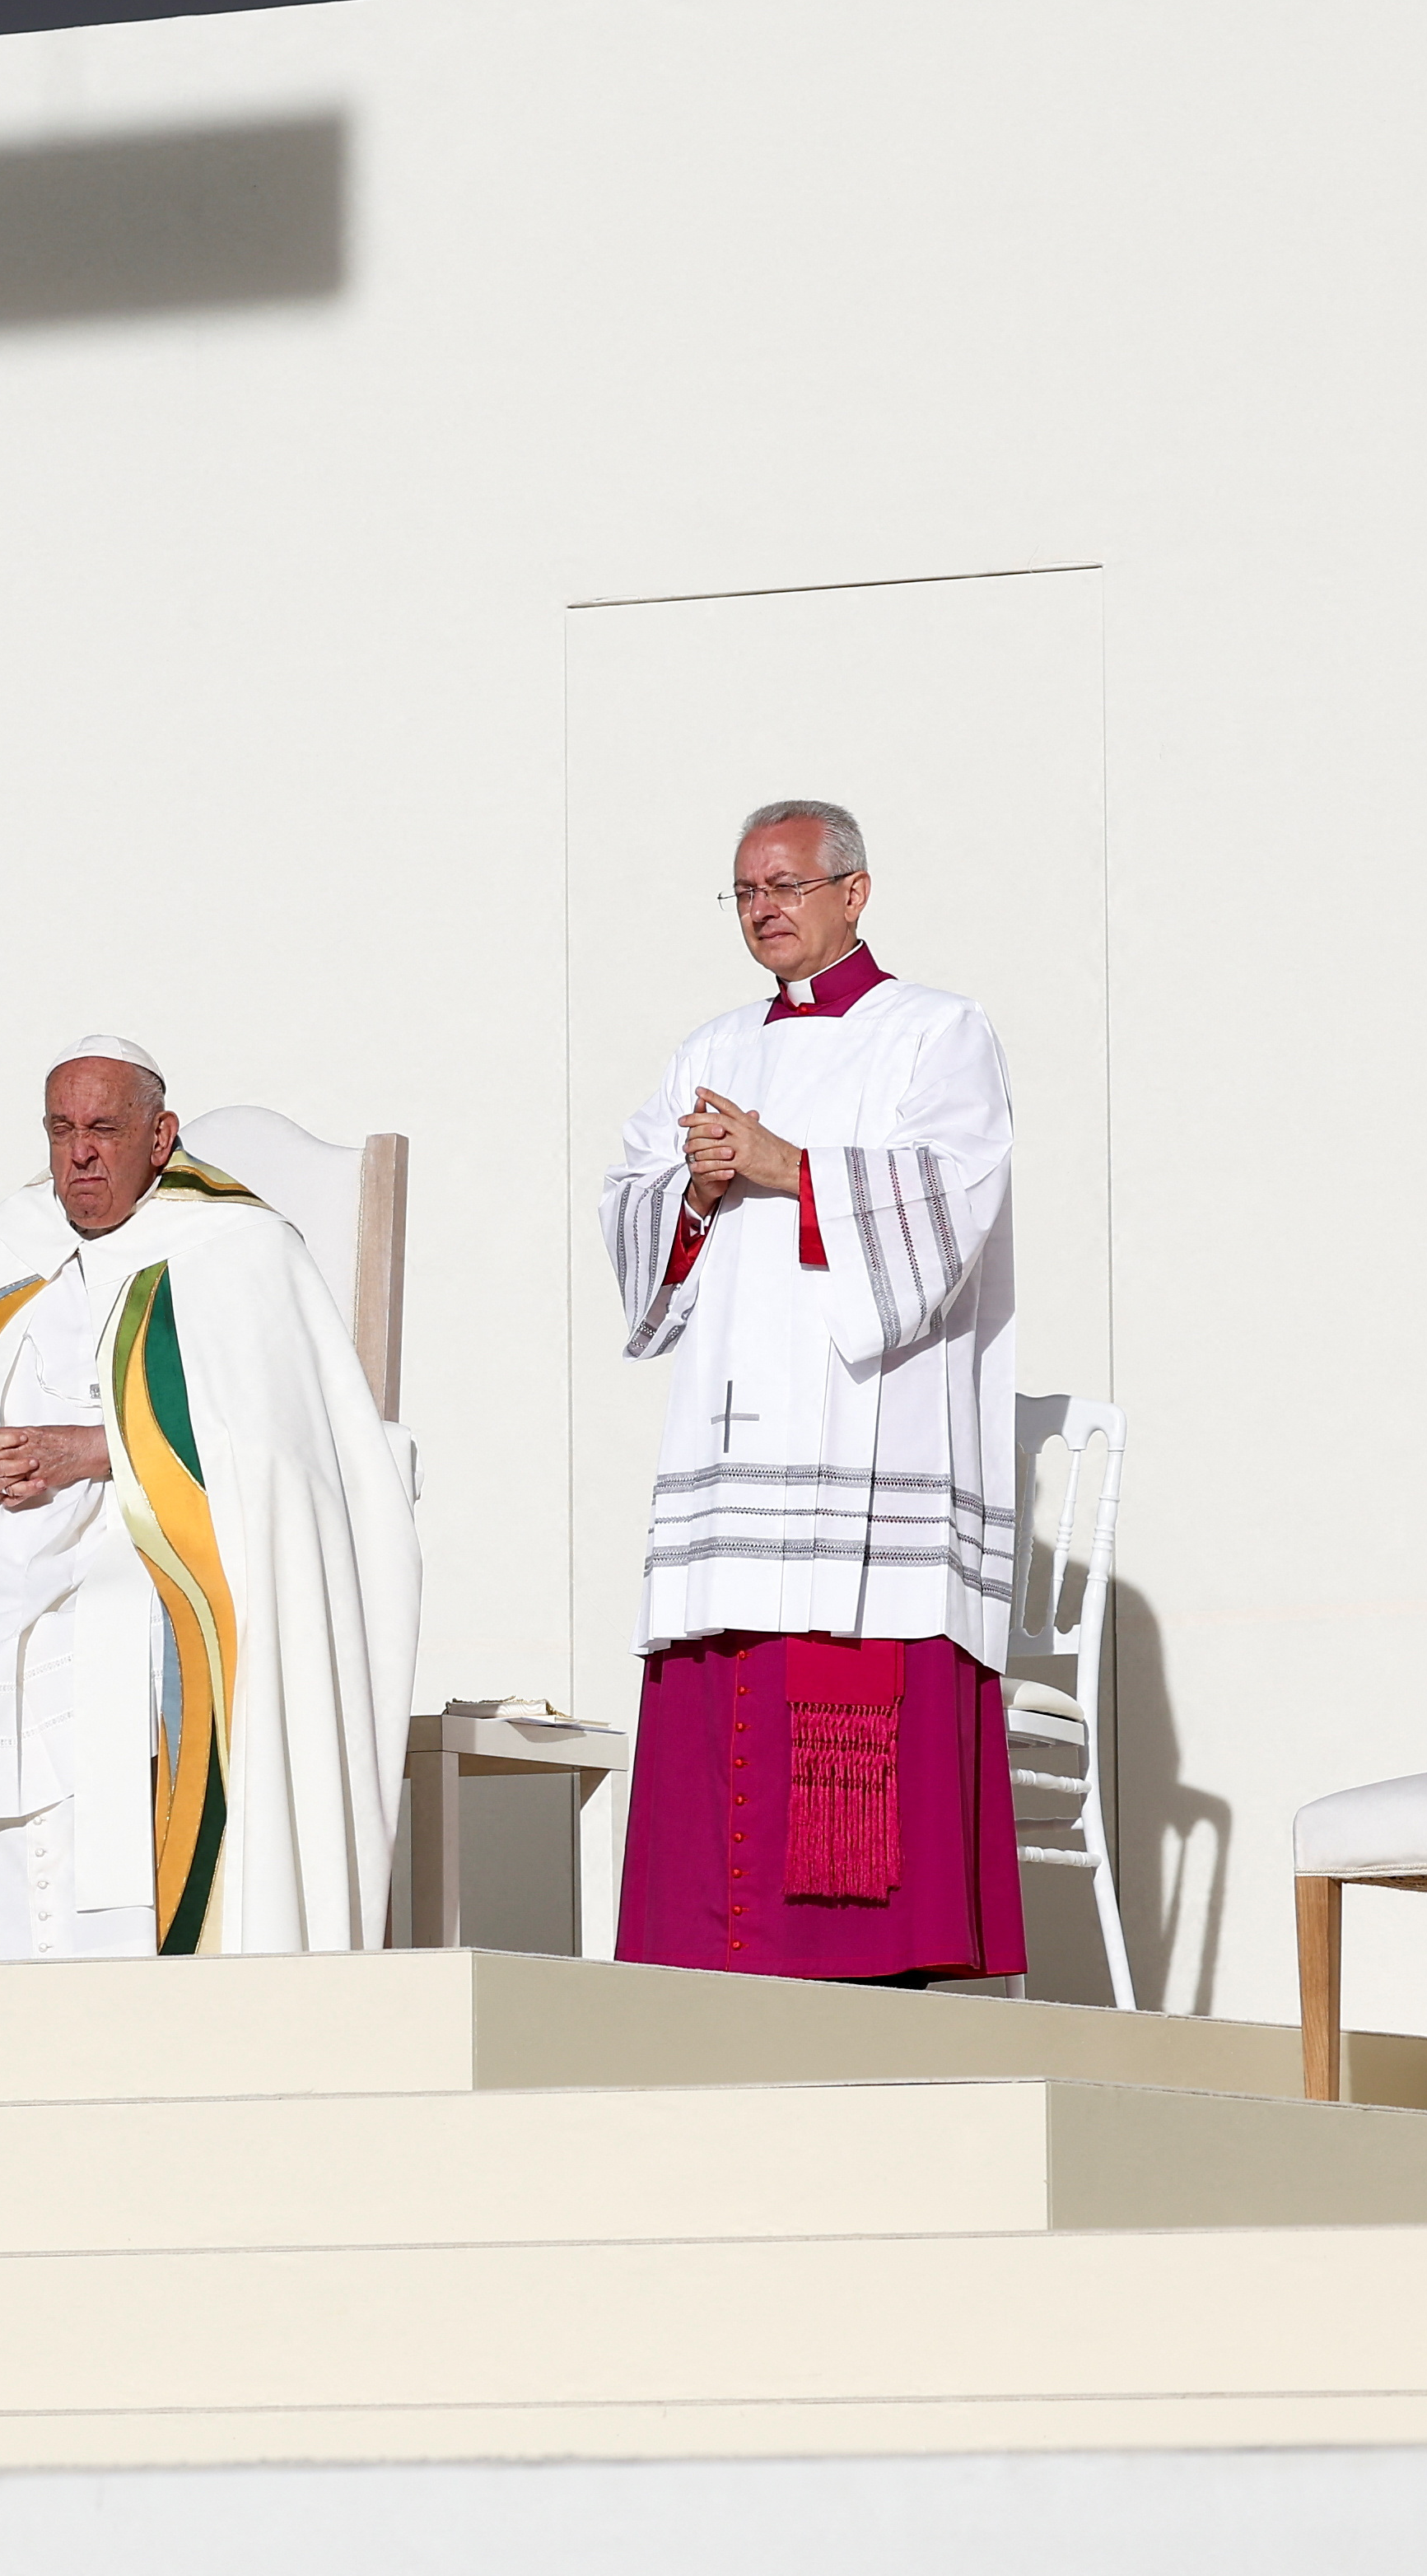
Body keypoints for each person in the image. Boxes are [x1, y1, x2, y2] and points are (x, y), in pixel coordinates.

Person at [0, 1039, 422, 1963]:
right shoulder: (11, 1242)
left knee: (107, 1630)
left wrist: (95, 1450)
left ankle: (113, 1956)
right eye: (60, 1129)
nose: (79, 1153)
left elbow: (287, 1445)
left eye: (104, 1129)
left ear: (160, 1137)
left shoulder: (238, 1248)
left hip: (157, 1526)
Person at [601, 799, 1023, 1985]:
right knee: (726, 1669)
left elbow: (953, 1195)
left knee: (845, 1669)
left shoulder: (935, 1031)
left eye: (785, 884)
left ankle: (866, 1974)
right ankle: (707, 1975)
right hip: (730, 1429)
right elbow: (633, 1211)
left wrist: (781, 1163)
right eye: (744, 891)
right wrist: (689, 1191)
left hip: (868, 1428)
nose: (763, 908)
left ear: (853, 892)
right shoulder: (708, 1049)